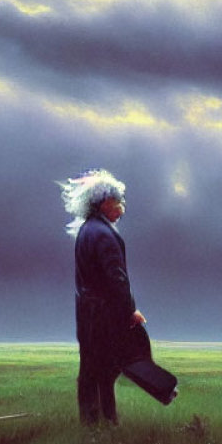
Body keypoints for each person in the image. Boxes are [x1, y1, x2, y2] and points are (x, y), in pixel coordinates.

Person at [59, 169, 175, 425]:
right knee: (113, 368)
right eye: (117, 201)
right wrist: (130, 311)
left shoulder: (87, 231)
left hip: (87, 315)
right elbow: (117, 279)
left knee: (91, 370)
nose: (122, 206)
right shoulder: (105, 235)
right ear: (103, 202)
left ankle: (93, 425)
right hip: (106, 316)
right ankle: (109, 421)